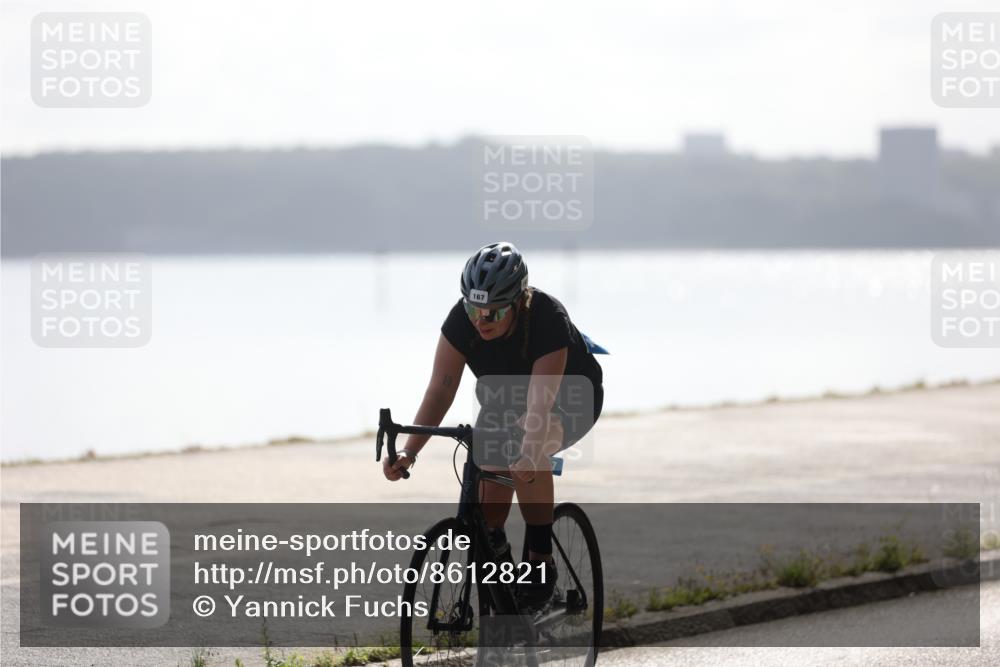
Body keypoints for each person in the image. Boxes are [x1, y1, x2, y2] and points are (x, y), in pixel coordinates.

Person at [382, 241, 604, 611]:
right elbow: (440, 389)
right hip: (503, 399)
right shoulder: (461, 321)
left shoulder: (547, 318)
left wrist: (530, 449)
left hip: (568, 397)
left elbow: (539, 403)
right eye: (473, 308)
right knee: (488, 511)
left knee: (530, 445)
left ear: (518, 302)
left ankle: (539, 559)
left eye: (493, 314)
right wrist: (409, 450)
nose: (480, 321)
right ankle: (498, 565)